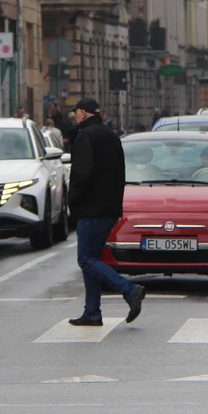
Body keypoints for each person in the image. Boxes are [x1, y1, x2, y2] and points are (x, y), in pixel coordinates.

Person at [65, 97, 145, 327]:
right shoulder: (111, 136)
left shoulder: (85, 137)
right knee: (92, 258)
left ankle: (129, 290)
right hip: (109, 207)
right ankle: (92, 312)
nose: (75, 117)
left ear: (82, 113)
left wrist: (73, 202)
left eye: (76, 113)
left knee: (86, 259)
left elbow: (82, 175)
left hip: (91, 208)